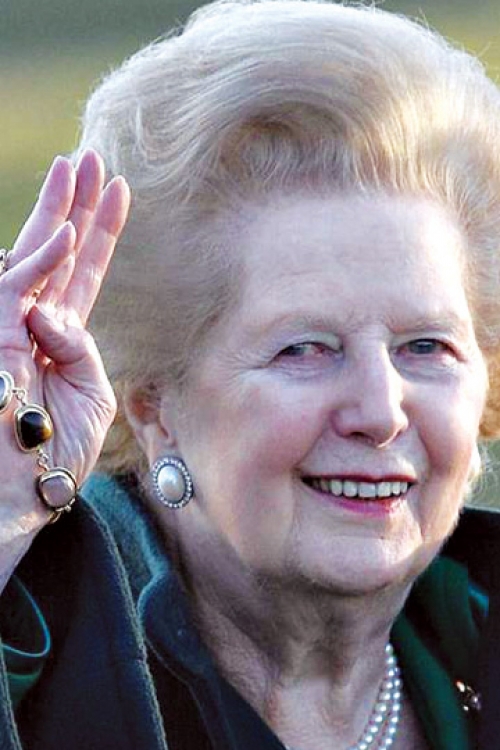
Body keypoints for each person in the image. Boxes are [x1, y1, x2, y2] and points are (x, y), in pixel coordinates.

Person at [1, 0, 500, 747]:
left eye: (426, 347)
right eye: (304, 350)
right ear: (153, 403)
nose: (380, 411)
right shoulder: (42, 676)